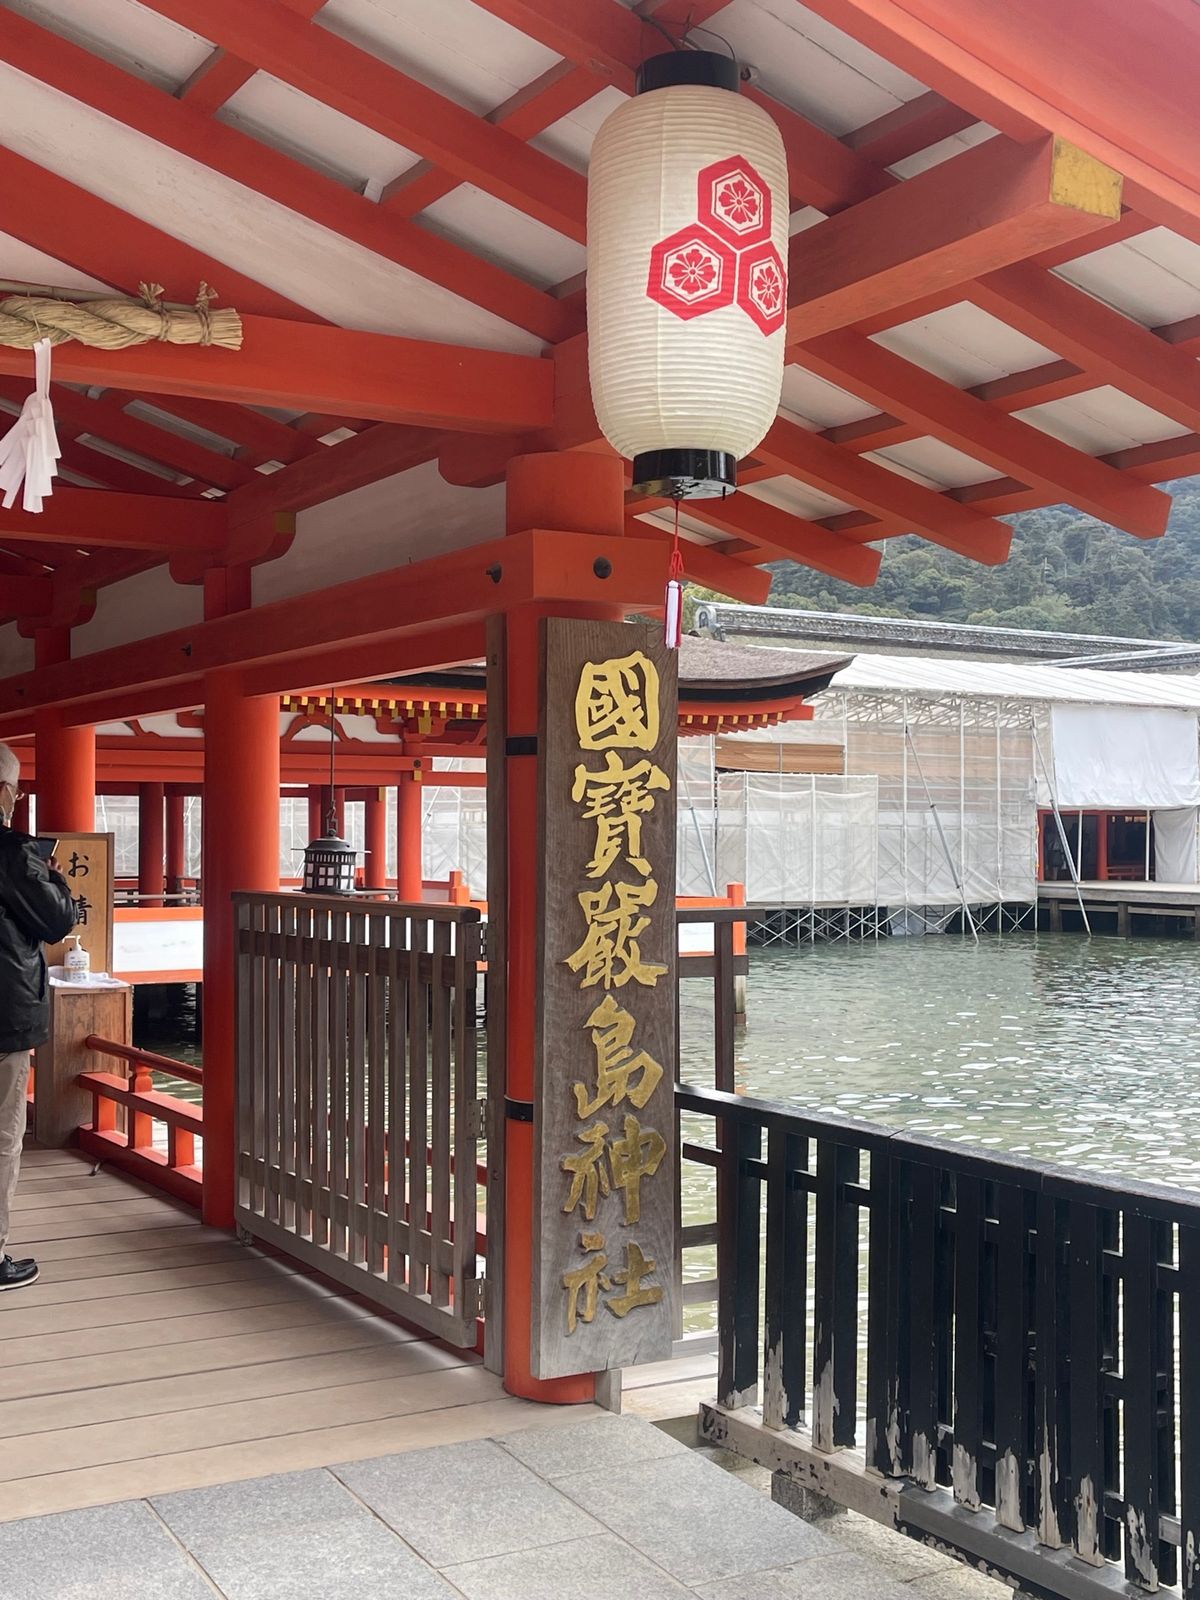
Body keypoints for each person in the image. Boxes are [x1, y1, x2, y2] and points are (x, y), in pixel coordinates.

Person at [0, 743, 78, 1290]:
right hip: (3, 1015)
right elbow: (57, 923)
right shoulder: (14, 852)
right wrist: (53, 876)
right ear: (4, 792)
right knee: (3, 1134)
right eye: (17, 787)